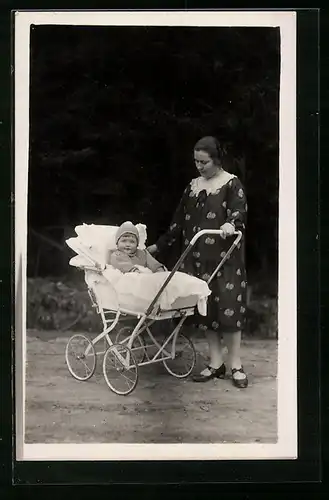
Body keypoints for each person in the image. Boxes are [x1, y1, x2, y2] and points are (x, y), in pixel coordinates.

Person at [148, 136, 248, 388]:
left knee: (228, 308)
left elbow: (239, 212)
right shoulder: (192, 186)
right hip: (196, 258)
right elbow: (178, 222)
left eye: (204, 162)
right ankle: (216, 363)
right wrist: (158, 246)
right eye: (196, 161)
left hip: (225, 259)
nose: (199, 167)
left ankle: (235, 364)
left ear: (216, 160)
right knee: (205, 309)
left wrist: (230, 223)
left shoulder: (231, 183)